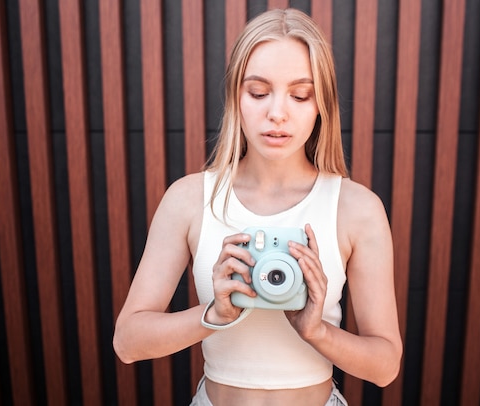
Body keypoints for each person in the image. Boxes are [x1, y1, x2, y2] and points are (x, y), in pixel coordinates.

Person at [113, 8, 402, 405]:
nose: (277, 113)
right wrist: (212, 315)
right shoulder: (189, 199)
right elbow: (128, 342)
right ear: (235, 96)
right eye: (258, 92)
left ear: (321, 105)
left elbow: (385, 366)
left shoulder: (357, 208)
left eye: (300, 95)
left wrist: (317, 331)